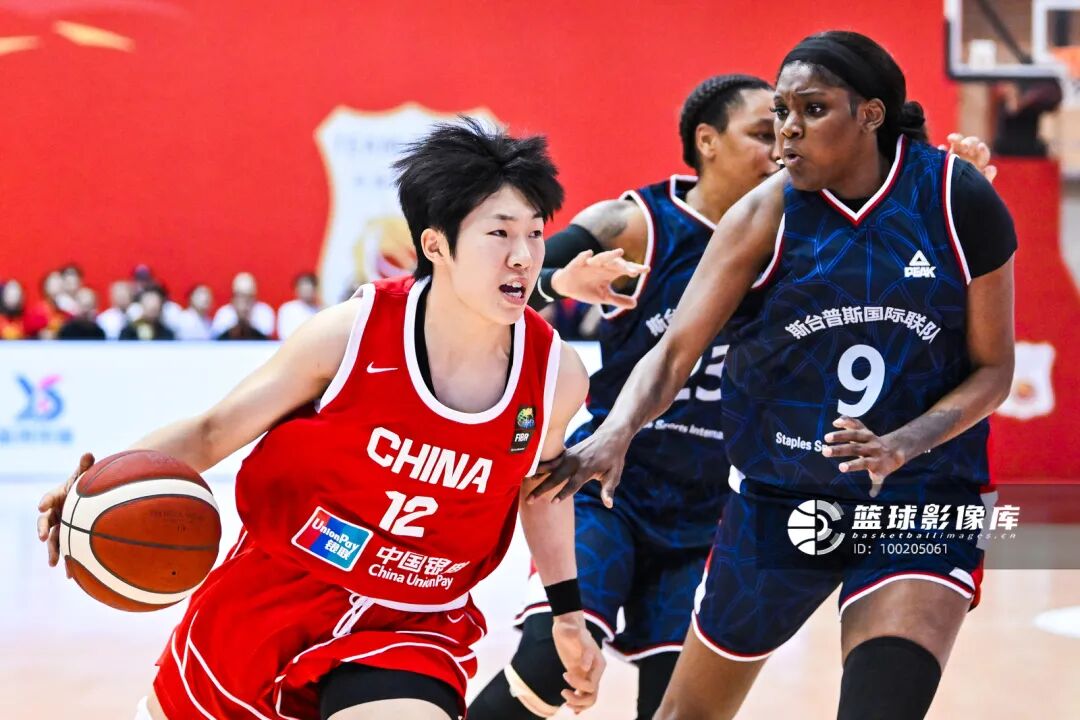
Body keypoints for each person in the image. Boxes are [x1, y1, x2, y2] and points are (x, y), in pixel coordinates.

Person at [37, 119, 605, 720]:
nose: (524, 256)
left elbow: (542, 488)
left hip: (412, 618)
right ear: (436, 245)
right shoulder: (351, 335)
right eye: (500, 233)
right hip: (276, 587)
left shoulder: (555, 376)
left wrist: (566, 613)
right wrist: (94, 486)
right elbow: (213, 431)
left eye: (535, 233)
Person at [471, 73, 998, 720]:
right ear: (707, 140)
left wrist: (953, 199)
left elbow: (913, 281)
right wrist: (559, 283)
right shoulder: (638, 225)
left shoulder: (807, 234)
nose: (781, 145)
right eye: (761, 131)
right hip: (613, 493)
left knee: (680, 706)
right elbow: (491, 282)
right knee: (549, 669)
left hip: (712, 515)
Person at [212, 271, 276, 338]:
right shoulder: (223, 314)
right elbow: (217, 339)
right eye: (239, 296)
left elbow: (266, 338)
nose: (244, 302)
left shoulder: (265, 313)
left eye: (248, 297)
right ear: (233, 298)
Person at [278, 272, 323, 340]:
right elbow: (285, 334)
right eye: (303, 288)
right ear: (296, 289)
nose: (306, 292)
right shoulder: (288, 309)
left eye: (309, 289)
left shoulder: (321, 310)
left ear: (315, 289)